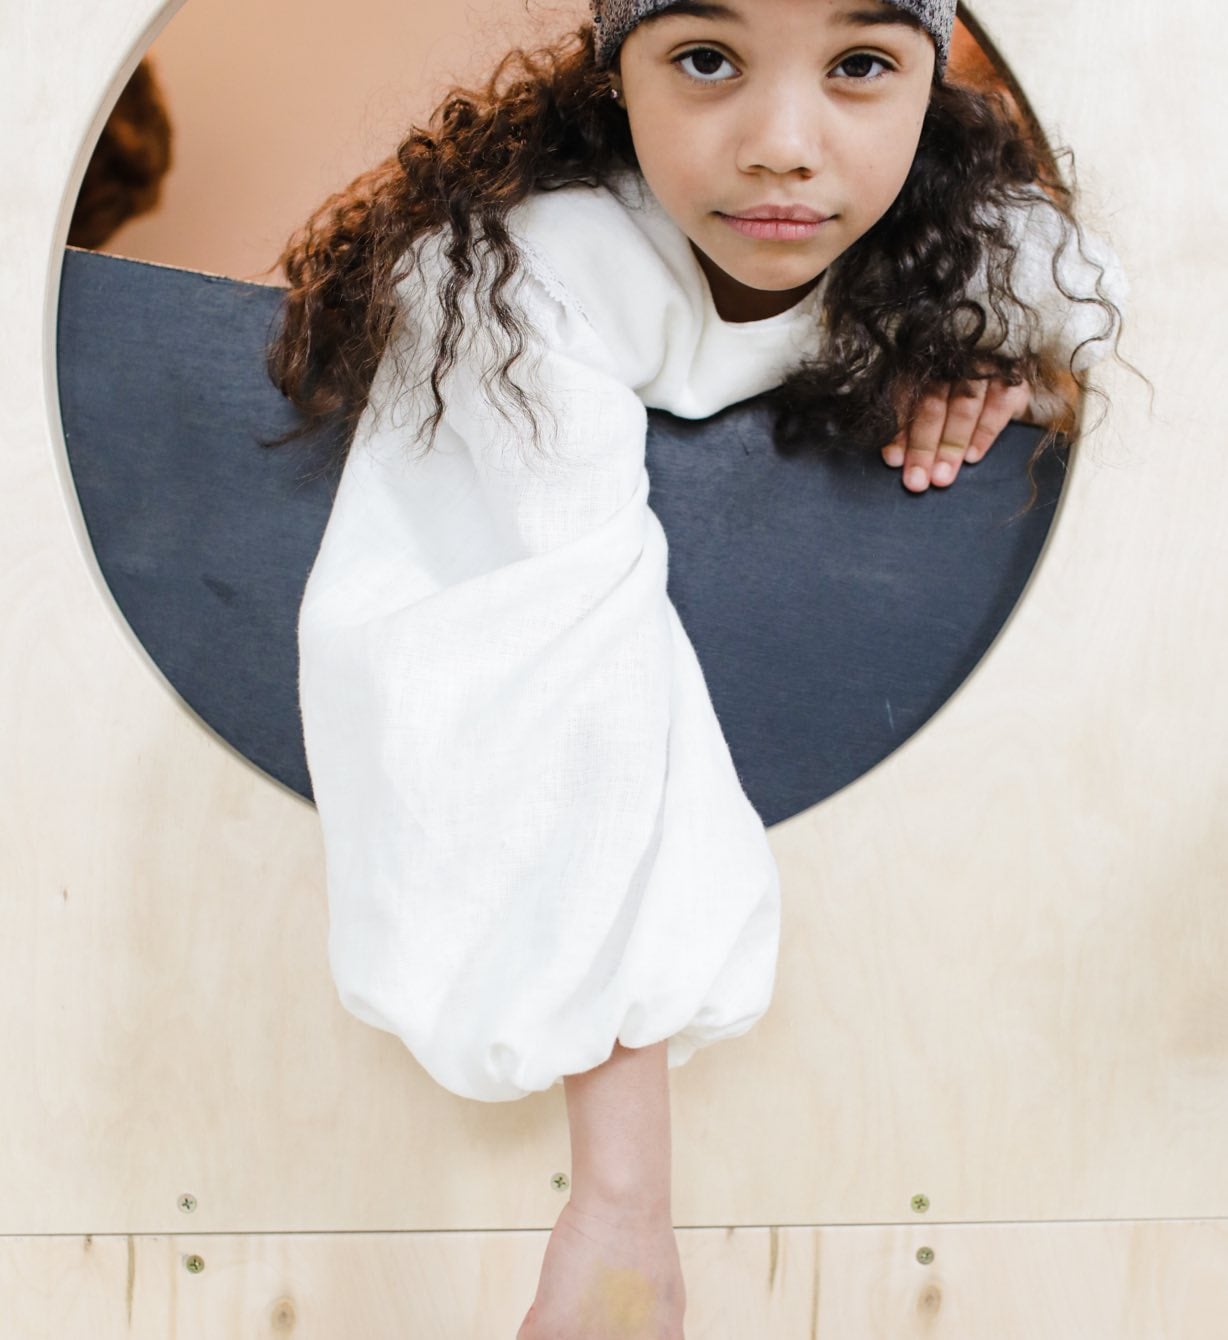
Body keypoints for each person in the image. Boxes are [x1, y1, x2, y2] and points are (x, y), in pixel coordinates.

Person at [265, 1, 1126, 1335]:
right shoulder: (526, 275)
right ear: (620, 74)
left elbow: (1111, 309)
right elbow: (566, 693)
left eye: (860, 66)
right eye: (707, 60)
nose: (783, 142)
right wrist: (622, 1206)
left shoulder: (968, 244)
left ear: (935, 80)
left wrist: (1010, 368)